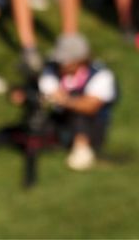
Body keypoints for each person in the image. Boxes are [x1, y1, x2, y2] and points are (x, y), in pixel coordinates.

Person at [35, 33, 118, 171]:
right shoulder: (51, 70)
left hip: (92, 125)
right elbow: (47, 91)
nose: (61, 64)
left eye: (65, 61)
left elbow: (91, 106)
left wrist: (66, 100)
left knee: (79, 111)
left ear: (80, 60)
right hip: (60, 119)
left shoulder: (101, 75)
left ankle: (82, 149)